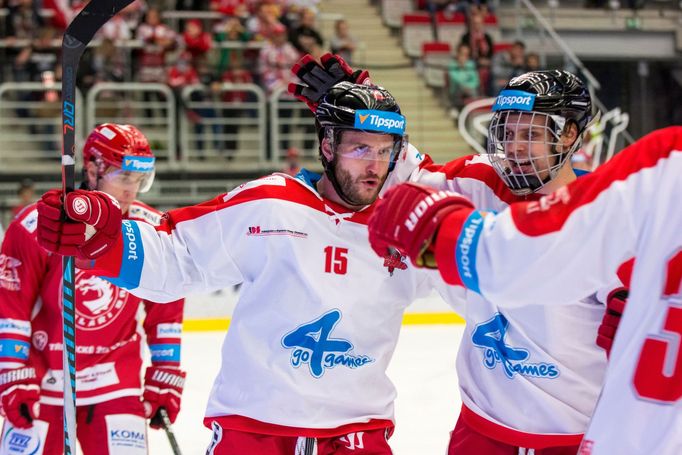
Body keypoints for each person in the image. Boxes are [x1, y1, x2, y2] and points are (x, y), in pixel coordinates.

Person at [34, 80, 454, 454]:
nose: (374, 165)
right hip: (253, 430)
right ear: (327, 146)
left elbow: (484, 264)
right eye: (359, 148)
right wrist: (99, 241)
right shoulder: (271, 204)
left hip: (357, 434)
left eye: (385, 152)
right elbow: (178, 255)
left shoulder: (406, 227)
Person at [366, 125, 682, 455]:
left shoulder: (666, 161)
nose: (516, 147)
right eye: (509, 131)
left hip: (579, 431)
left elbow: (533, 251)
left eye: (530, 134)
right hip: (487, 426)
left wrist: (446, 231)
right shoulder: (484, 180)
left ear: (569, 135)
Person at [0, 124, 186, 454]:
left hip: (116, 384)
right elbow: (10, 304)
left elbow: (166, 308)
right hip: (43, 382)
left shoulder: (151, 228)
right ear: (91, 169)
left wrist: (164, 371)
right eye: (124, 178)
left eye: (140, 180)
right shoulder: (39, 224)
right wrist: (13, 371)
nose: (133, 191)